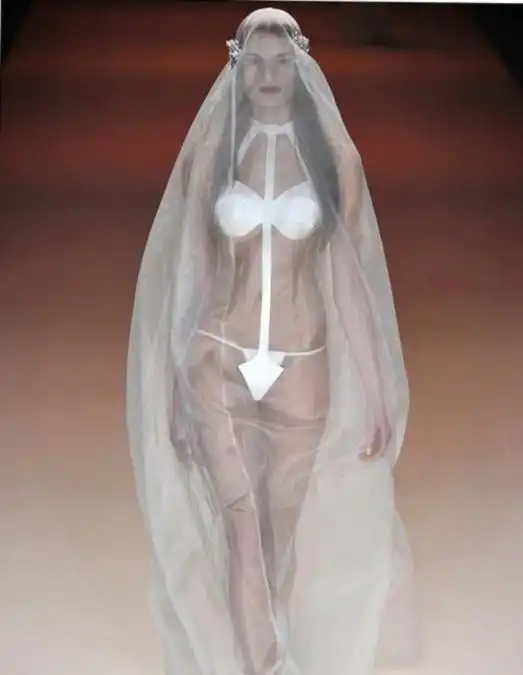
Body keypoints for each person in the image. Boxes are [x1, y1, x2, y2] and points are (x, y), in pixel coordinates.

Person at [126, 7, 415, 675]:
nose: (266, 75)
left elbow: (347, 280)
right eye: (253, 62)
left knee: (276, 535)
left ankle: (263, 644)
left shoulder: (334, 159)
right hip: (217, 362)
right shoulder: (212, 154)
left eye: (281, 62)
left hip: (302, 369)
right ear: (236, 68)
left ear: (300, 68)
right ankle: (261, 666)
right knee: (242, 529)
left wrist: (377, 389)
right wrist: (172, 383)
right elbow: (189, 273)